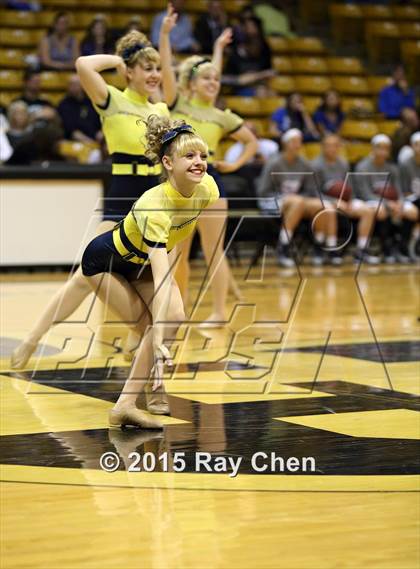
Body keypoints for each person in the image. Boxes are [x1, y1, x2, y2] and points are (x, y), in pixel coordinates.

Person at [11, 31, 171, 417]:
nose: (154, 74)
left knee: (158, 295)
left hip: (154, 202)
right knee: (85, 276)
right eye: (146, 68)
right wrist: (120, 61)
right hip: (120, 201)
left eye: (157, 69)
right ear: (129, 72)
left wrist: (161, 39)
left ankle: (154, 373)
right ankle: (31, 341)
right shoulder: (112, 99)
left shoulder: (163, 110)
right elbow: (83, 65)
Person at [80, 115, 219, 429]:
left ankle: (152, 388)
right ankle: (124, 406)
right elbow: (162, 276)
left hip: (140, 262)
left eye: (203, 156)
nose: (199, 163)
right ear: (168, 163)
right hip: (106, 264)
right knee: (153, 325)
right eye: (189, 156)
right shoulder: (154, 204)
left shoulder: (208, 188)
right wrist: (159, 335)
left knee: (172, 318)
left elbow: (178, 240)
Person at [159, 5, 257, 326]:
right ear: (192, 83)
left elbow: (251, 141)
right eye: (207, 79)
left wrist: (235, 164)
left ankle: (219, 312)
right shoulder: (179, 101)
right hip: (179, 184)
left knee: (214, 249)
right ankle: (179, 309)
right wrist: (164, 35)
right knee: (179, 252)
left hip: (211, 180)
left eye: (217, 79)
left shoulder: (222, 115)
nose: (213, 82)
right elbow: (172, 71)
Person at [257, 128, 337, 267]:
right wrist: (288, 198)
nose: (298, 145)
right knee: (297, 201)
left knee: (323, 205)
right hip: (270, 201)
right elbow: (263, 191)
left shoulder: (304, 164)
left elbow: (311, 190)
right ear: (285, 144)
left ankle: (320, 246)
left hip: (296, 202)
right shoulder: (274, 163)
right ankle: (283, 246)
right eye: (294, 142)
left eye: (299, 142)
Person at [312, 134, 382, 264]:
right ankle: (331, 249)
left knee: (368, 211)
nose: (332, 149)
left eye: (335, 145)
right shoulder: (315, 165)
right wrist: (334, 201)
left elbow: (349, 187)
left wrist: (349, 201)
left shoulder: (343, 163)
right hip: (325, 200)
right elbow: (313, 192)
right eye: (328, 145)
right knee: (329, 209)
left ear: (339, 147)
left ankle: (361, 250)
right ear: (322, 147)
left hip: (344, 201)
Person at [355, 134, 418, 263]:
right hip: (370, 201)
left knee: (412, 212)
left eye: (387, 148)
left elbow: (399, 191)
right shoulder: (362, 167)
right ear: (373, 149)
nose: (384, 151)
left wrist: (400, 202)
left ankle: (402, 246)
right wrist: (387, 203)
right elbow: (365, 193)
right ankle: (382, 247)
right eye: (380, 148)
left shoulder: (393, 168)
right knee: (381, 211)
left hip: (392, 202)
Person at [224, 15, 273, 96]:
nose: (248, 30)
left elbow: (269, 72)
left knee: (271, 94)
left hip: (259, 86)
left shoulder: (264, 50)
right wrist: (258, 76)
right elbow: (232, 78)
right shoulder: (236, 51)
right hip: (239, 89)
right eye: (246, 27)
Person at [57, 74, 101, 143]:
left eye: (75, 84)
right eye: (70, 84)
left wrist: (100, 135)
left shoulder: (91, 102)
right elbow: (71, 130)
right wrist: (88, 142)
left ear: (82, 85)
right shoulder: (64, 105)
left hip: (94, 138)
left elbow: (99, 122)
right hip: (74, 140)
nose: (72, 87)